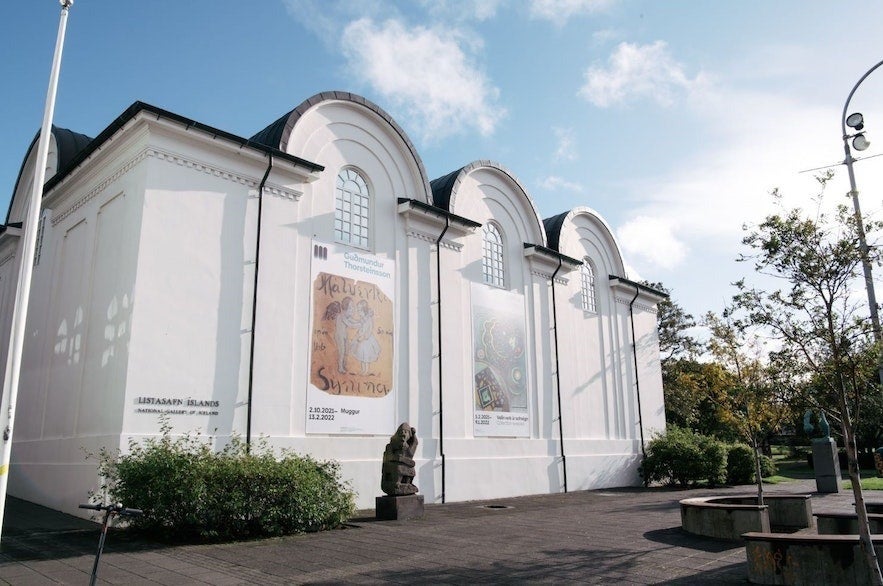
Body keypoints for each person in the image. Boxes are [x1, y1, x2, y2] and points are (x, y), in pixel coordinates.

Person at [349, 300, 381, 374]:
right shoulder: (362, 319)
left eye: (360, 310)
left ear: (364, 310)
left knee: (366, 356)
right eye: (358, 310)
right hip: (361, 340)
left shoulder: (369, 319)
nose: (358, 312)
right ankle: (363, 370)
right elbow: (360, 329)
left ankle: (366, 370)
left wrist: (363, 337)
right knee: (361, 355)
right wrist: (357, 336)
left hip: (367, 341)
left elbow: (369, 331)